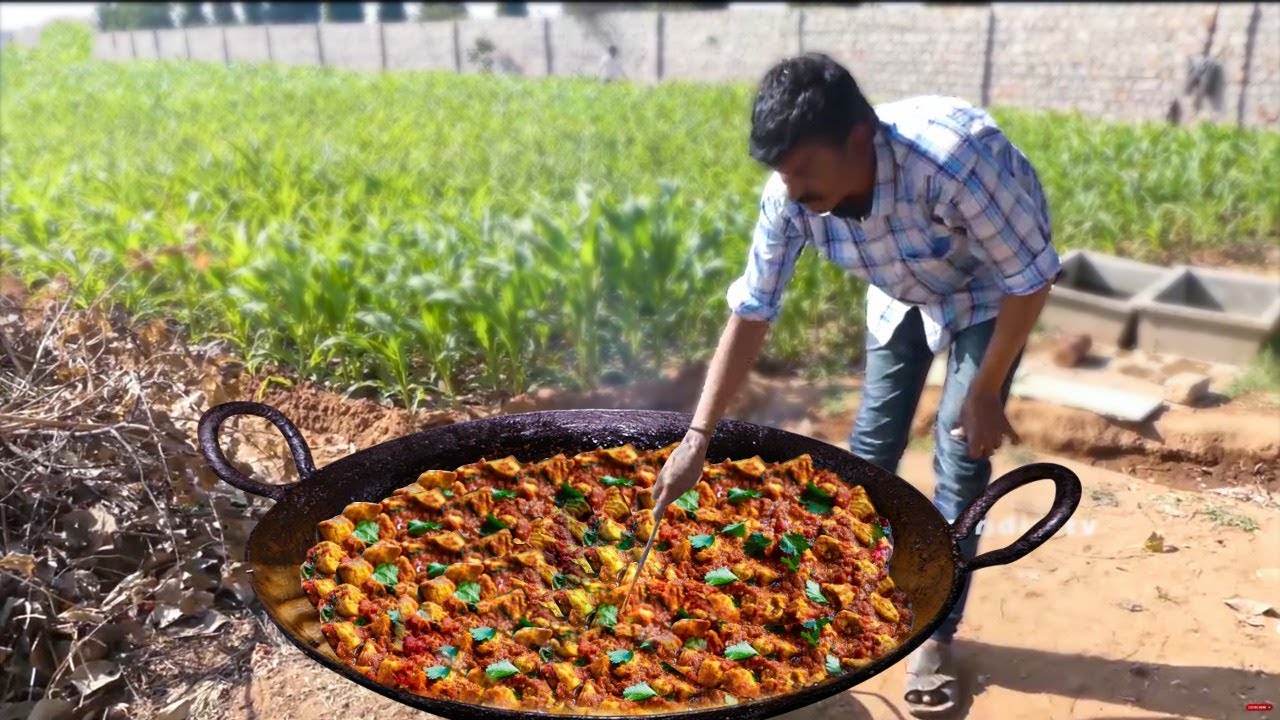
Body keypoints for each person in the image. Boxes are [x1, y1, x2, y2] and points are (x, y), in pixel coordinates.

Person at [650, 52, 1058, 718]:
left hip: (989, 291)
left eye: (806, 166)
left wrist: (986, 391)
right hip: (898, 291)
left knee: (960, 453)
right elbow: (752, 309)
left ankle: (934, 636)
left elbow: (1030, 277)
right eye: (783, 171)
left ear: (860, 138)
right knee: (869, 448)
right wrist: (698, 435)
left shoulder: (955, 162)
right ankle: (849, 603)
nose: (792, 184)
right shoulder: (792, 198)